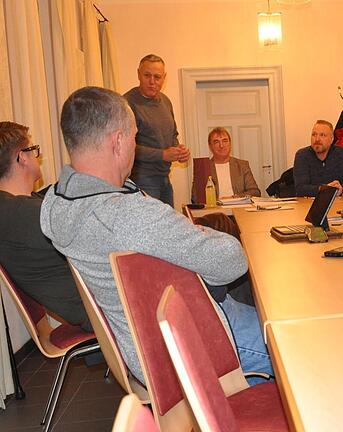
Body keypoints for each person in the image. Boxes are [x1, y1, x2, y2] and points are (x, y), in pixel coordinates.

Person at [40, 86, 272, 384]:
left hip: (147, 345)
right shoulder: (128, 214)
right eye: (135, 137)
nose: (135, 147)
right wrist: (194, 233)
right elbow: (232, 261)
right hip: (194, 341)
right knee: (294, 336)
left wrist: (183, 236)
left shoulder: (57, 204)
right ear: (119, 140)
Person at [0, 122, 90, 332]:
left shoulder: (11, 207)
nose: (36, 157)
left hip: (84, 302)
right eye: (33, 151)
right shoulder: (25, 214)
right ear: (22, 157)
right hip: (95, 308)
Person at [124, 54, 189, 206]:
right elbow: (125, 147)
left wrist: (179, 150)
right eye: (147, 75)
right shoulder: (126, 103)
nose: (152, 82)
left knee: (167, 227)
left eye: (157, 77)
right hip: (141, 180)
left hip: (165, 179)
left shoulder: (166, 102)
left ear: (164, 78)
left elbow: (172, 134)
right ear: (138, 74)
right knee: (150, 228)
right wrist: (163, 155)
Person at [191, 127, 261, 203]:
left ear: (230, 143)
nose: (221, 145)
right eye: (216, 142)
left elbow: (255, 192)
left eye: (225, 141)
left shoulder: (242, 165)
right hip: (214, 212)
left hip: (239, 209)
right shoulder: (204, 168)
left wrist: (234, 198)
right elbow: (195, 198)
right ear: (210, 146)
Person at [293, 120, 343, 196]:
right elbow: (300, 189)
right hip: (309, 204)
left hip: (337, 203)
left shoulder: (340, 154)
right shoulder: (302, 155)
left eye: (322, 135)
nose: (317, 139)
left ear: (331, 139)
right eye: (314, 135)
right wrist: (326, 189)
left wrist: (341, 188)